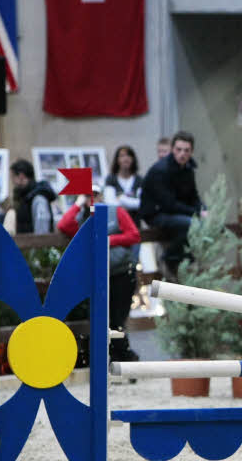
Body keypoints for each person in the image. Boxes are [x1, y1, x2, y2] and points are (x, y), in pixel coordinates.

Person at [58, 185, 141, 363]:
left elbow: (134, 235)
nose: (91, 198)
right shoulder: (82, 219)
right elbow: (63, 225)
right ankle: (122, 361)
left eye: (94, 194)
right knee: (101, 320)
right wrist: (78, 204)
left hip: (121, 274)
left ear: (101, 195)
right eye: (87, 195)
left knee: (117, 320)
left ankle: (126, 361)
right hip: (97, 277)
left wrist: (108, 240)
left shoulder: (116, 211)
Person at [139, 131, 207, 276]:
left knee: (204, 223)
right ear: (172, 149)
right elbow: (169, 204)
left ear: (192, 151)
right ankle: (171, 257)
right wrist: (197, 213)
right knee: (192, 223)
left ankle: (186, 258)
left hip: (173, 211)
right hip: (155, 214)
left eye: (186, 150)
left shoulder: (188, 168)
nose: (182, 154)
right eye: (178, 149)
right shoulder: (161, 170)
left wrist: (204, 209)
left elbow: (193, 196)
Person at [10, 159, 57, 234]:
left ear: (21, 176)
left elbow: (42, 233)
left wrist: (38, 244)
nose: (12, 181)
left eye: (13, 177)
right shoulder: (24, 197)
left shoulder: (38, 198)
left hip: (34, 244)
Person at [103, 144, 144, 226]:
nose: (126, 159)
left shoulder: (139, 180)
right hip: (116, 224)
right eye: (122, 156)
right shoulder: (111, 179)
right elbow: (110, 203)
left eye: (129, 155)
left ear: (133, 159)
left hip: (135, 223)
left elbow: (142, 204)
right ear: (117, 160)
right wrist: (132, 204)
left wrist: (121, 199)